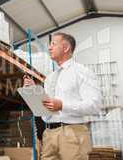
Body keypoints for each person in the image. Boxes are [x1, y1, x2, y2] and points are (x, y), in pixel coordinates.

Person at [24, 32, 102, 160]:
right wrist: (35, 91)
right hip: (49, 134)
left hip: (72, 132)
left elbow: (94, 105)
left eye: (53, 44)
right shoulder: (50, 78)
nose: (49, 48)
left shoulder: (81, 72)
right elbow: (46, 109)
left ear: (66, 48)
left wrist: (62, 105)